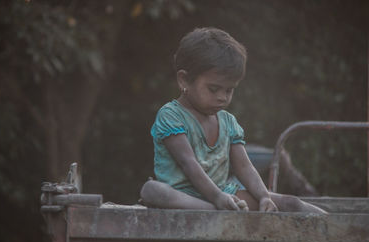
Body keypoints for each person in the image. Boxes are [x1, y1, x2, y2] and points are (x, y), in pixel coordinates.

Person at [140, 27, 326, 214]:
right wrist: (218, 198)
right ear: (184, 80)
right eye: (214, 89)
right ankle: (213, 209)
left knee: (292, 204)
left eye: (229, 90)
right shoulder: (171, 115)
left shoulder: (228, 122)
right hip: (185, 197)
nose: (222, 97)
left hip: (225, 194)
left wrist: (264, 197)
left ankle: (337, 225)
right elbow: (188, 163)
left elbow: (244, 166)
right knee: (154, 190)